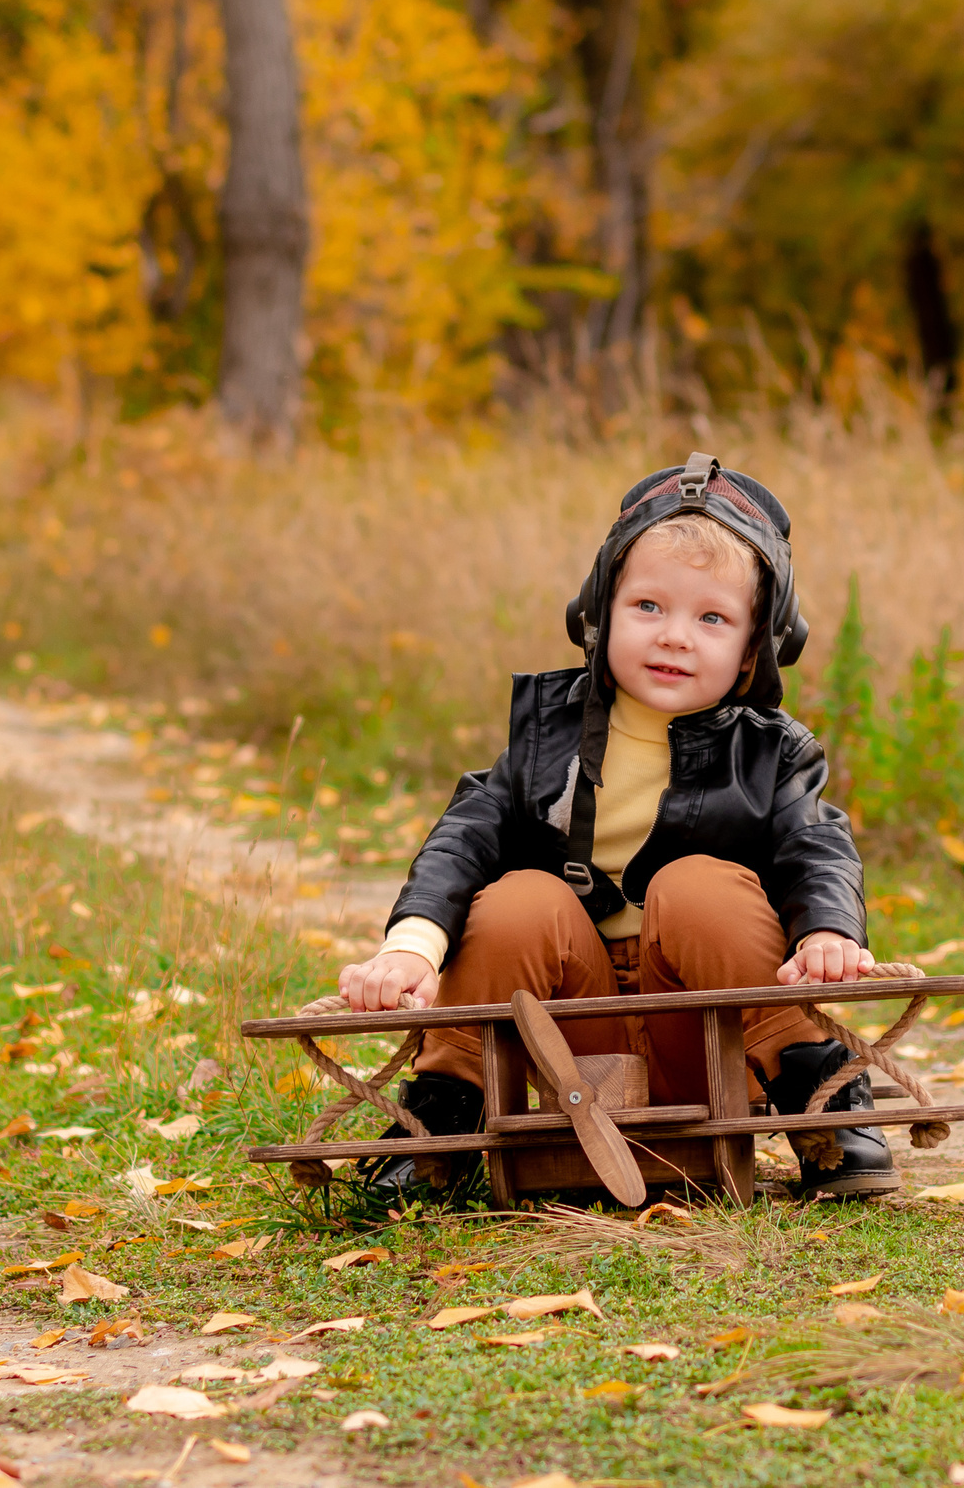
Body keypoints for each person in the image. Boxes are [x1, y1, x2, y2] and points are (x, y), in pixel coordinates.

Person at [332, 452, 894, 1197]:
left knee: (698, 885)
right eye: (648, 607)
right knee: (517, 898)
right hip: (572, 1028)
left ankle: (818, 1100)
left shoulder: (770, 754)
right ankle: (442, 1117)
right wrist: (410, 949)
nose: (674, 636)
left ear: (757, 646)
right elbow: (463, 837)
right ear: (598, 613)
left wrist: (828, 933)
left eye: (712, 618)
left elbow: (815, 846)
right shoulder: (545, 739)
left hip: (707, 1024)